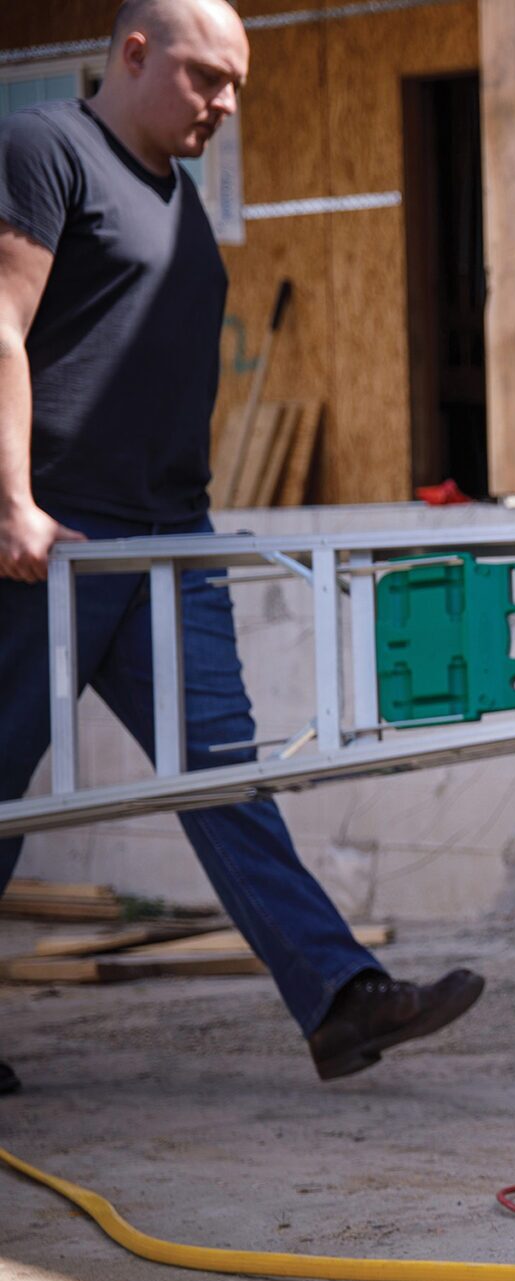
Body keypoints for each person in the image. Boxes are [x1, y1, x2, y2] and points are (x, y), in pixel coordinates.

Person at [0, 0, 483, 1094]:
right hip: (57, 541)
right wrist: (12, 503)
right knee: (2, 788)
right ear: (133, 53)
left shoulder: (177, 193)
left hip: (168, 539)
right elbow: (1, 326)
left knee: (224, 777)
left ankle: (338, 999)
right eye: (206, 78)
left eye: (236, 86)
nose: (224, 104)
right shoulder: (45, 149)